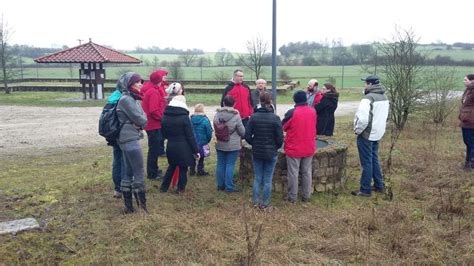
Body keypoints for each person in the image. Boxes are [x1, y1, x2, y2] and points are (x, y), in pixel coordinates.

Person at [352, 75, 389, 197]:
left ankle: (365, 189)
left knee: (366, 162)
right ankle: (379, 186)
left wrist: (357, 131)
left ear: (371, 85)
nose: (365, 85)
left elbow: (362, 119)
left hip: (366, 134)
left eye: (366, 83)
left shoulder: (368, 98)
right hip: (378, 133)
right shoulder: (384, 97)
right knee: (374, 159)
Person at [245, 91, 283, 210]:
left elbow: (247, 136)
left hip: (257, 152)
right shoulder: (275, 118)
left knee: (258, 178)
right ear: (270, 101)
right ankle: (265, 203)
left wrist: (254, 143)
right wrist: (275, 147)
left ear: (259, 101)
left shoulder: (254, 117)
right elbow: (280, 138)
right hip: (271, 152)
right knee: (267, 179)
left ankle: (256, 202)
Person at [116, 72, 148, 213]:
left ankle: (129, 207)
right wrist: (140, 122)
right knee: (139, 171)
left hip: (127, 139)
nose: (141, 84)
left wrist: (140, 121)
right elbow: (142, 120)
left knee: (128, 172)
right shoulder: (127, 100)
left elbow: (142, 118)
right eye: (138, 82)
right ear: (130, 84)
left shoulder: (132, 98)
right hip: (129, 139)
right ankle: (142, 207)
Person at [160, 87, 200, 194]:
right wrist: (196, 151)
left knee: (171, 166)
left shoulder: (165, 116)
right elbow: (190, 136)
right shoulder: (184, 118)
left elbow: (163, 133)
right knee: (183, 168)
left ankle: (164, 187)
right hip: (183, 147)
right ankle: (180, 189)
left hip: (171, 145)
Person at [282, 90, 317, 203]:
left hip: (294, 147)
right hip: (309, 146)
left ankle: (292, 197)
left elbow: (284, 127)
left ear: (294, 99)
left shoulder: (292, 112)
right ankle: (306, 196)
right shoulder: (312, 111)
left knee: (293, 173)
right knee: (307, 172)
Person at [214, 95, 246, 192]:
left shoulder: (217, 114)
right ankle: (229, 187)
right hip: (232, 144)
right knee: (230, 164)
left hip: (220, 142)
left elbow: (215, 125)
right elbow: (242, 131)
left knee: (220, 163)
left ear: (223, 103)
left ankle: (220, 185)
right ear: (234, 104)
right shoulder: (236, 115)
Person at [141, 69, 168, 180]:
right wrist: (162, 119)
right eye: (162, 78)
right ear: (159, 80)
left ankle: (154, 169)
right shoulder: (153, 92)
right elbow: (153, 110)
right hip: (153, 125)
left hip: (154, 124)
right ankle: (152, 173)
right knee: (154, 150)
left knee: (155, 149)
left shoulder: (154, 90)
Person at [108, 85, 125, 198]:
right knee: (125, 161)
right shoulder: (124, 99)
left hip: (113, 133)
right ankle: (125, 188)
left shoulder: (113, 97)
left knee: (117, 161)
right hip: (123, 133)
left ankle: (117, 188)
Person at [190, 104, 213, 176]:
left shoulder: (190, 119)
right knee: (201, 157)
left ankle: (192, 170)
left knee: (192, 156)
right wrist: (207, 140)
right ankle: (200, 170)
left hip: (192, 141)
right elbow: (209, 132)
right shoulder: (205, 120)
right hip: (202, 141)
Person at [459, 74, 474, 171]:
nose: (464, 81)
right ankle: (467, 164)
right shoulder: (468, 90)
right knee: (468, 142)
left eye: (465, 80)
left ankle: (472, 165)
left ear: (472, 81)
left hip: (471, 121)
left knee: (472, 143)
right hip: (465, 120)